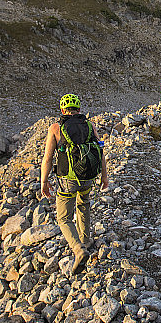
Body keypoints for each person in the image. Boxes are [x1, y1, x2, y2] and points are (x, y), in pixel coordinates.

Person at [41, 93, 108, 274]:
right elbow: (100, 152)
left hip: (67, 180)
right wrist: (104, 176)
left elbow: (48, 158)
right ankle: (86, 241)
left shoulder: (56, 128)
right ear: (79, 109)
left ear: (62, 110)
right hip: (88, 178)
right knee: (84, 205)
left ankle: (78, 250)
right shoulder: (89, 125)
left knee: (63, 218)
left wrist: (44, 180)